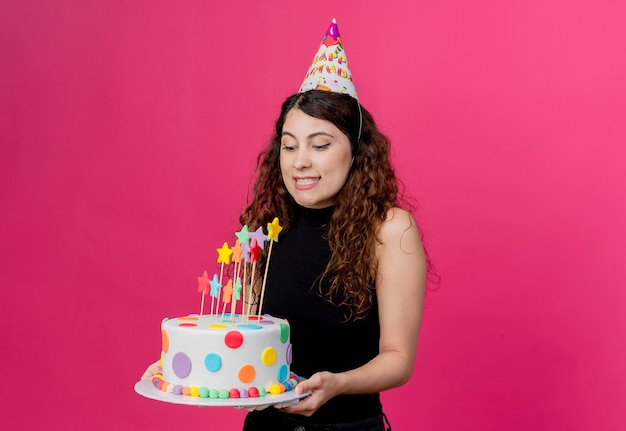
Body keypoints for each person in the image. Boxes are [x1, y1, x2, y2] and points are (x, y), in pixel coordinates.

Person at [143, 19, 428, 431]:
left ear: (356, 152)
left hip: (345, 428)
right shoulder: (269, 227)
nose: (300, 162)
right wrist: (189, 373)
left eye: (320, 145)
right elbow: (246, 340)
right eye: (290, 145)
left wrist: (336, 384)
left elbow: (398, 359)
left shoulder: (390, 229)